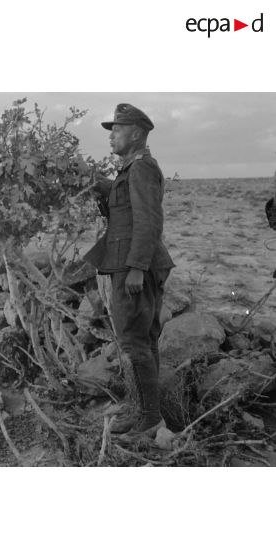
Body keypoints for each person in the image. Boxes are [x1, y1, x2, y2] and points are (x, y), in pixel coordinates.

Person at [84, 103, 175, 438]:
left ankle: (150, 422)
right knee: (143, 341)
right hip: (132, 264)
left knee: (134, 343)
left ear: (135, 133)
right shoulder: (132, 170)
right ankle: (144, 412)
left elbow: (149, 220)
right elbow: (121, 199)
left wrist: (136, 268)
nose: (112, 136)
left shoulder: (141, 169)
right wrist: (92, 181)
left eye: (117, 130)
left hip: (135, 267)